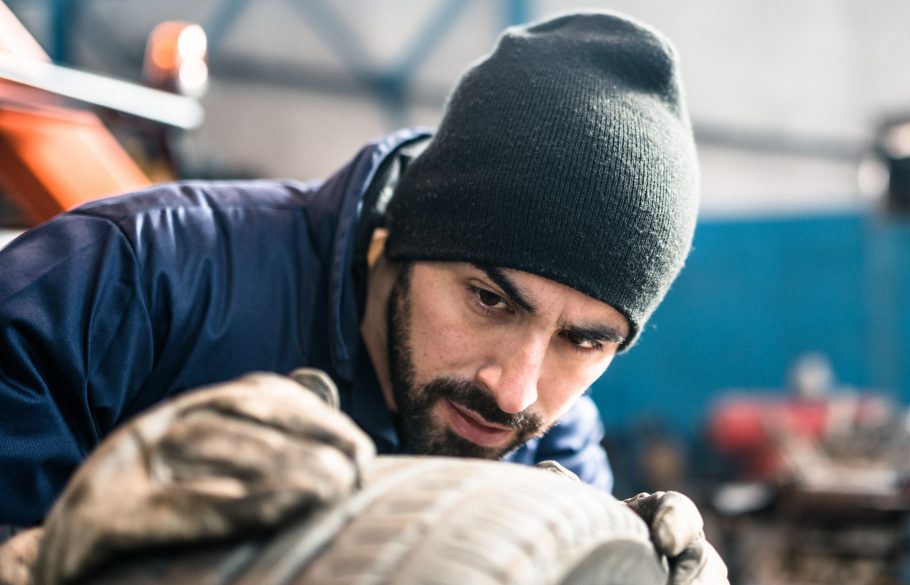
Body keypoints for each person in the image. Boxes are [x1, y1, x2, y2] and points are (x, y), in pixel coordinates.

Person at [0, 10, 725, 584]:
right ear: (405, 232)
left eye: (584, 340)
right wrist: (50, 560)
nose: (514, 391)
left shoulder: (556, 447)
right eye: (489, 300)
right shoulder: (118, 283)